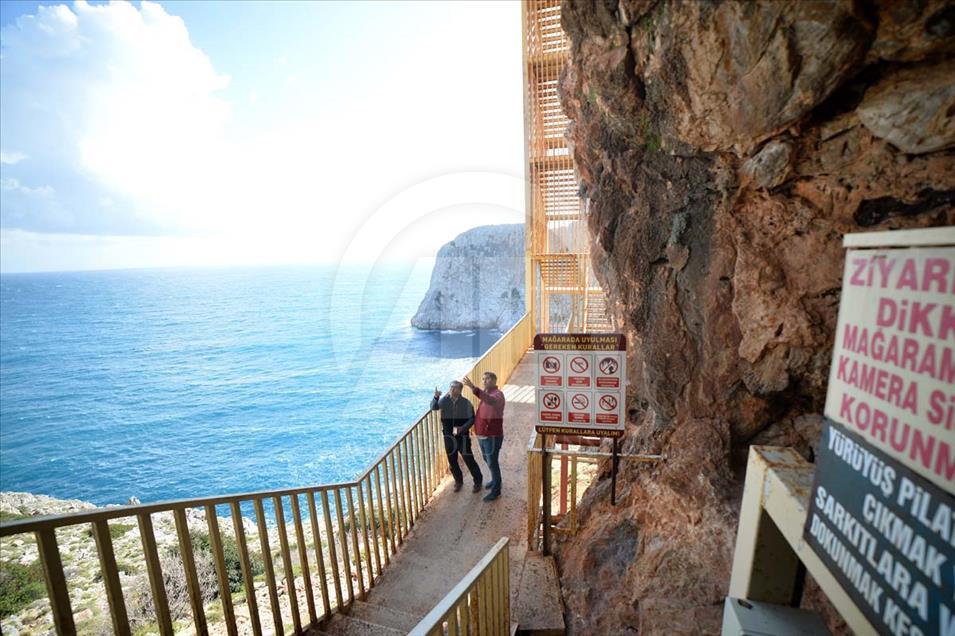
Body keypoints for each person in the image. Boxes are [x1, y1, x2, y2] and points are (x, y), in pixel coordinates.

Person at [431, 381, 483, 493]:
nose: (451, 389)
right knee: (452, 461)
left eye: (454, 388)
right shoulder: (444, 400)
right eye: (450, 387)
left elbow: (472, 419)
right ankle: (458, 481)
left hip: (462, 437)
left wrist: (462, 428)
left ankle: (478, 481)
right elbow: (434, 407)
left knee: (468, 459)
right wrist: (436, 397)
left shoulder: (466, 403)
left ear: (460, 390)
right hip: (448, 436)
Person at [462, 371, 505, 501]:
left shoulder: (497, 395)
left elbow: (490, 401)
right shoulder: (487, 394)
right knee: (488, 460)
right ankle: (495, 480)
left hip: (492, 436)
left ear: (494, 380)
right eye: (483, 379)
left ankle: (496, 490)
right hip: (483, 435)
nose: (484, 381)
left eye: (487, 379)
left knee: (492, 462)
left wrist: (473, 388)